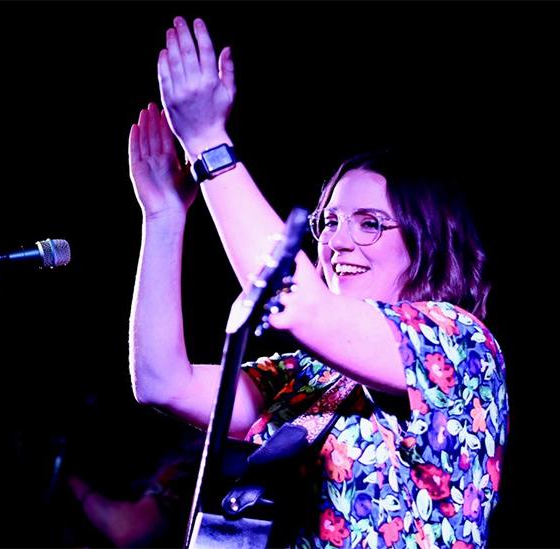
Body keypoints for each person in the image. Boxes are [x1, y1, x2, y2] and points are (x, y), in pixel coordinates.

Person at [127, 16, 508, 549]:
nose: (337, 242)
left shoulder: (457, 342)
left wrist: (208, 143)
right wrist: (164, 216)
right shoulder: (309, 379)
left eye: (369, 223)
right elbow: (162, 381)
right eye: (328, 221)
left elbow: (297, 304)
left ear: (427, 241)